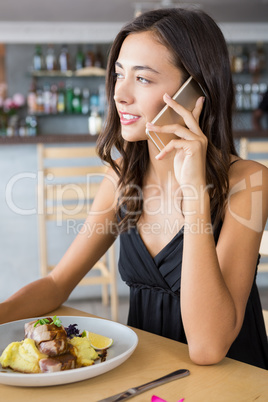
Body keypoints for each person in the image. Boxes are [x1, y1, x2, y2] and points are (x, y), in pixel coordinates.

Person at [1, 8, 268, 369]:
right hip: (147, 374)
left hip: (229, 381)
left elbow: (207, 347)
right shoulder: (124, 175)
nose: (119, 94)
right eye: (118, 75)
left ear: (195, 91)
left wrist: (194, 195)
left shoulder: (249, 183)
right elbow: (57, 283)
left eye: (142, 79)